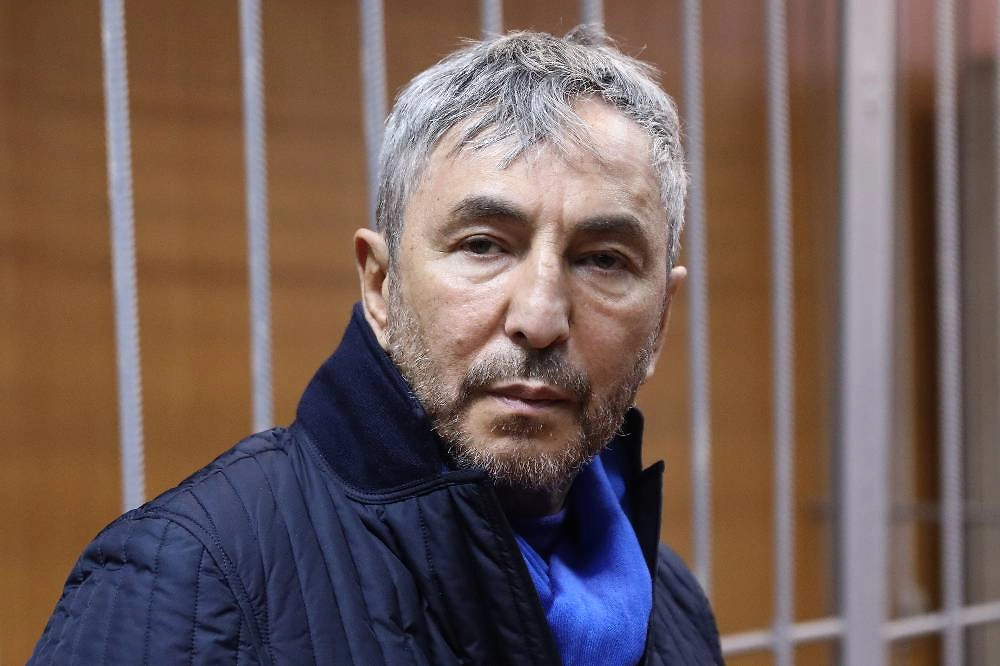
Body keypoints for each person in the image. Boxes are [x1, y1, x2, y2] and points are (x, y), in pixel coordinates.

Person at [31, 26, 722, 665]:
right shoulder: (190, 579)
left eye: (603, 260)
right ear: (381, 287)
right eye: (483, 246)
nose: (539, 319)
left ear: (661, 321)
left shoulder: (672, 605)